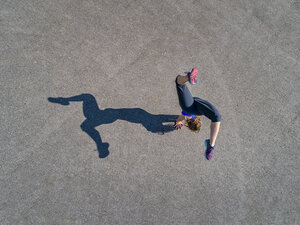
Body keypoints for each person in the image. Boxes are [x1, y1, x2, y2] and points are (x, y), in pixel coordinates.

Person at [174, 68, 221, 160]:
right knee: (179, 83)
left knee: (216, 116)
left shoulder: (199, 114)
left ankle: (211, 145)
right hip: (190, 107)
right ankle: (188, 77)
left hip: (198, 106)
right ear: (187, 121)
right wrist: (179, 122)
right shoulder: (186, 114)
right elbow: (179, 118)